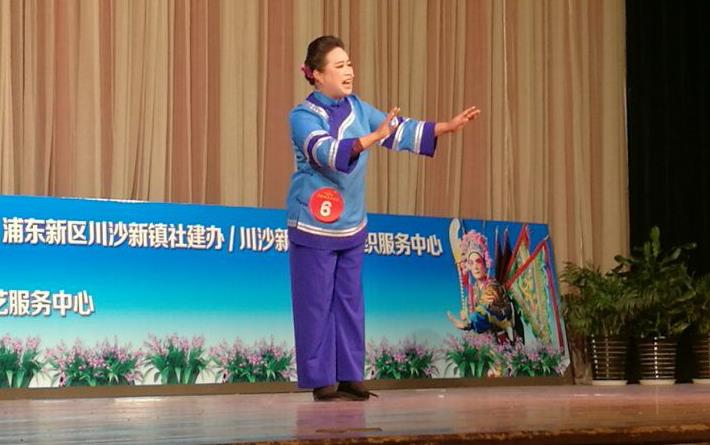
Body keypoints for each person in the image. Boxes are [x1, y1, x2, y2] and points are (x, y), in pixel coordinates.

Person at [287, 35, 481, 401]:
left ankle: (350, 375)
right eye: (339, 66)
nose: (349, 71)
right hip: (313, 221)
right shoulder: (302, 116)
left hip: (351, 222)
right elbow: (324, 151)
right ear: (317, 74)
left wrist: (446, 127)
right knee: (315, 303)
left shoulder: (359, 108)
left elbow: (399, 130)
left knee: (350, 301)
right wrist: (373, 136)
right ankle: (321, 380)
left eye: (349, 64)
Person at [447, 230, 514, 342]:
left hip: (500, 339)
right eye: (471, 263)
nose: (475, 267)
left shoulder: (492, 285)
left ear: (485, 263)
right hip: (483, 339)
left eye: (478, 261)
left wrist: (468, 322)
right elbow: (473, 313)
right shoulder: (473, 291)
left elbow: (484, 309)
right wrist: (466, 315)